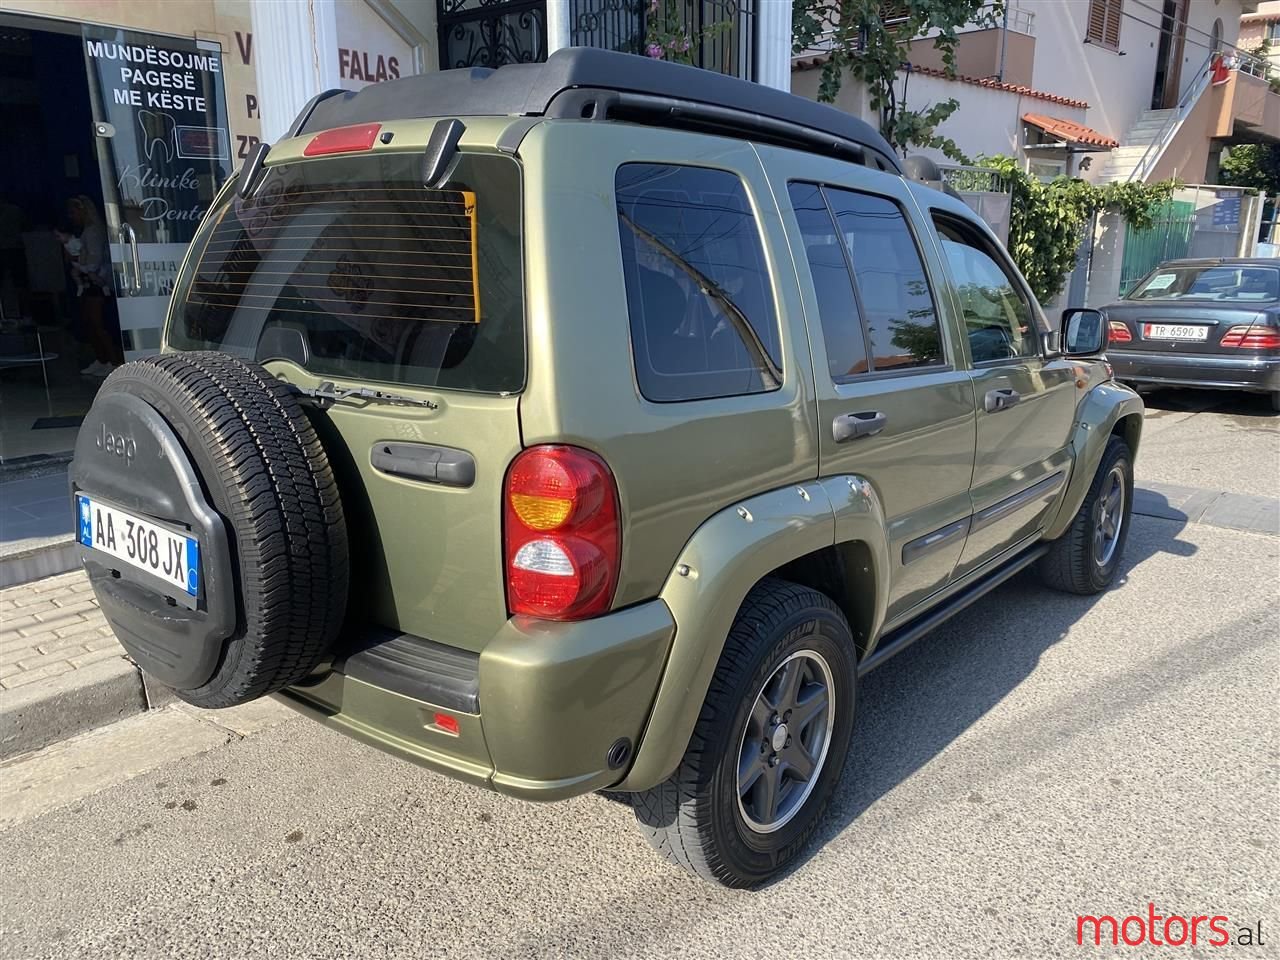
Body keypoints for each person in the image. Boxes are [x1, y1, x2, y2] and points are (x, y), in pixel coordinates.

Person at [66, 195, 122, 375]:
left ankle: (113, 361)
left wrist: (80, 265)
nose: (71, 216)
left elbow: (95, 260)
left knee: (97, 324)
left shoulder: (93, 231)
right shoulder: (87, 231)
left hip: (97, 281)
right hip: (90, 280)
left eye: (73, 212)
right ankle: (102, 359)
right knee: (91, 323)